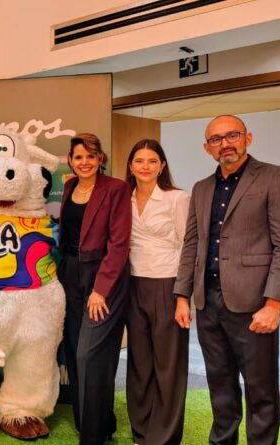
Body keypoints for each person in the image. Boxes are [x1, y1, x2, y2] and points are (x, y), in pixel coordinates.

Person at [174, 115, 280, 444]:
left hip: (254, 303)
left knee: (261, 391)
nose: (225, 144)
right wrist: (182, 296)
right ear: (207, 148)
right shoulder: (202, 188)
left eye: (232, 135)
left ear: (248, 138)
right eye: (216, 140)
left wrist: (274, 303)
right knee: (220, 386)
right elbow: (192, 244)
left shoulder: (276, 177)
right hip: (208, 303)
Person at [58, 133, 131, 445]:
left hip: (103, 276)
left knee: (92, 355)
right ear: (70, 160)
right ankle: (95, 423)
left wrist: (100, 289)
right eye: (79, 157)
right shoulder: (70, 187)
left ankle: (93, 435)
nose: (84, 162)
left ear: (100, 158)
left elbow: (119, 244)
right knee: (75, 351)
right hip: (70, 273)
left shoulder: (116, 189)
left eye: (90, 156)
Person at [124, 139, 190, 445]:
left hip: (167, 284)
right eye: (139, 160)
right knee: (139, 363)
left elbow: (189, 247)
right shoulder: (123, 197)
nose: (145, 166)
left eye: (152, 161)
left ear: (162, 166)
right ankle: (141, 432)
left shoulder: (177, 198)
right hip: (132, 284)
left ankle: (163, 437)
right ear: (130, 166)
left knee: (168, 365)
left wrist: (183, 296)